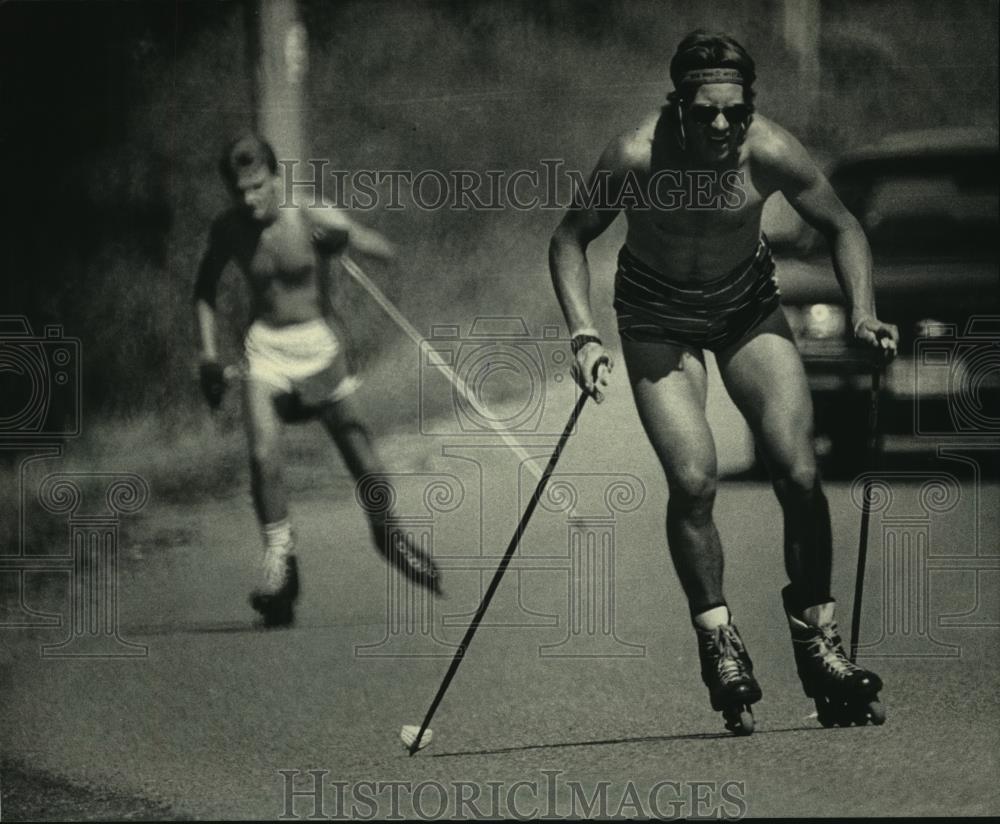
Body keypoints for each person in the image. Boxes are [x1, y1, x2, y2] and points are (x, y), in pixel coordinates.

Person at [548, 31, 898, 733]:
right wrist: (583, 334)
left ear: (750, 108)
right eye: (704, 110)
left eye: (733, 112)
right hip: (655, 319)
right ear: (677, 102)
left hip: (745, 310)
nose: (719, 126)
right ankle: (718, 639)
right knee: (695, 480)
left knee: (798, 472)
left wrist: (863, 313)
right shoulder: (634, 154)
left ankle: (819, 642)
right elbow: (569, 239)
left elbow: (843, 226)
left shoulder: (769, 149)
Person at [194, 134, 441, 627]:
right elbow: (204, 290)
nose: (249, 199)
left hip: (319, 349)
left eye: (258, 187)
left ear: (276, 177)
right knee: (262, 453)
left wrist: (342, 240)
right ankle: (280, 565)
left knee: (365, 462)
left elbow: (385, 251)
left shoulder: (307, 213)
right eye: (239, 190)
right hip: (265, 350)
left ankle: (387, 535)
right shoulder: (228, 229)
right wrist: (207, 356)